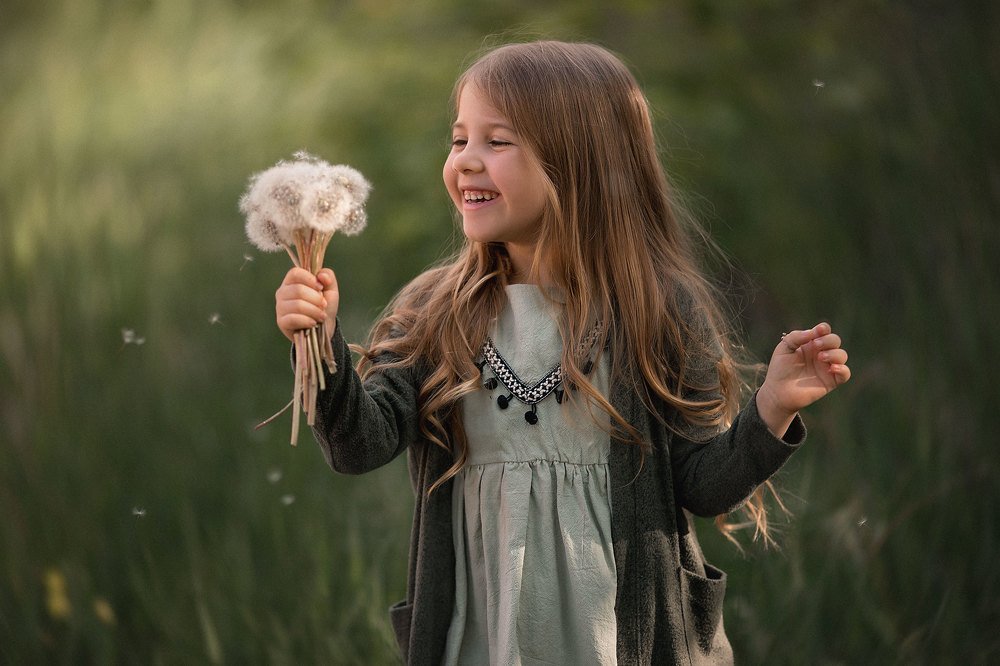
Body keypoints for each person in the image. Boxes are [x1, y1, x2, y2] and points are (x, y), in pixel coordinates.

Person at [274, 40, 850, 665]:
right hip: (482, 642)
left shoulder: (655, 313)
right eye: (459, 139)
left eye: (497, 142)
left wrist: (771, 410)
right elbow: (360, 445)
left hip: (623, 642)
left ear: (579, 163)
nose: (466, 161)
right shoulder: (433, 314)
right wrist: (319, 342)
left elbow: (702, 486)